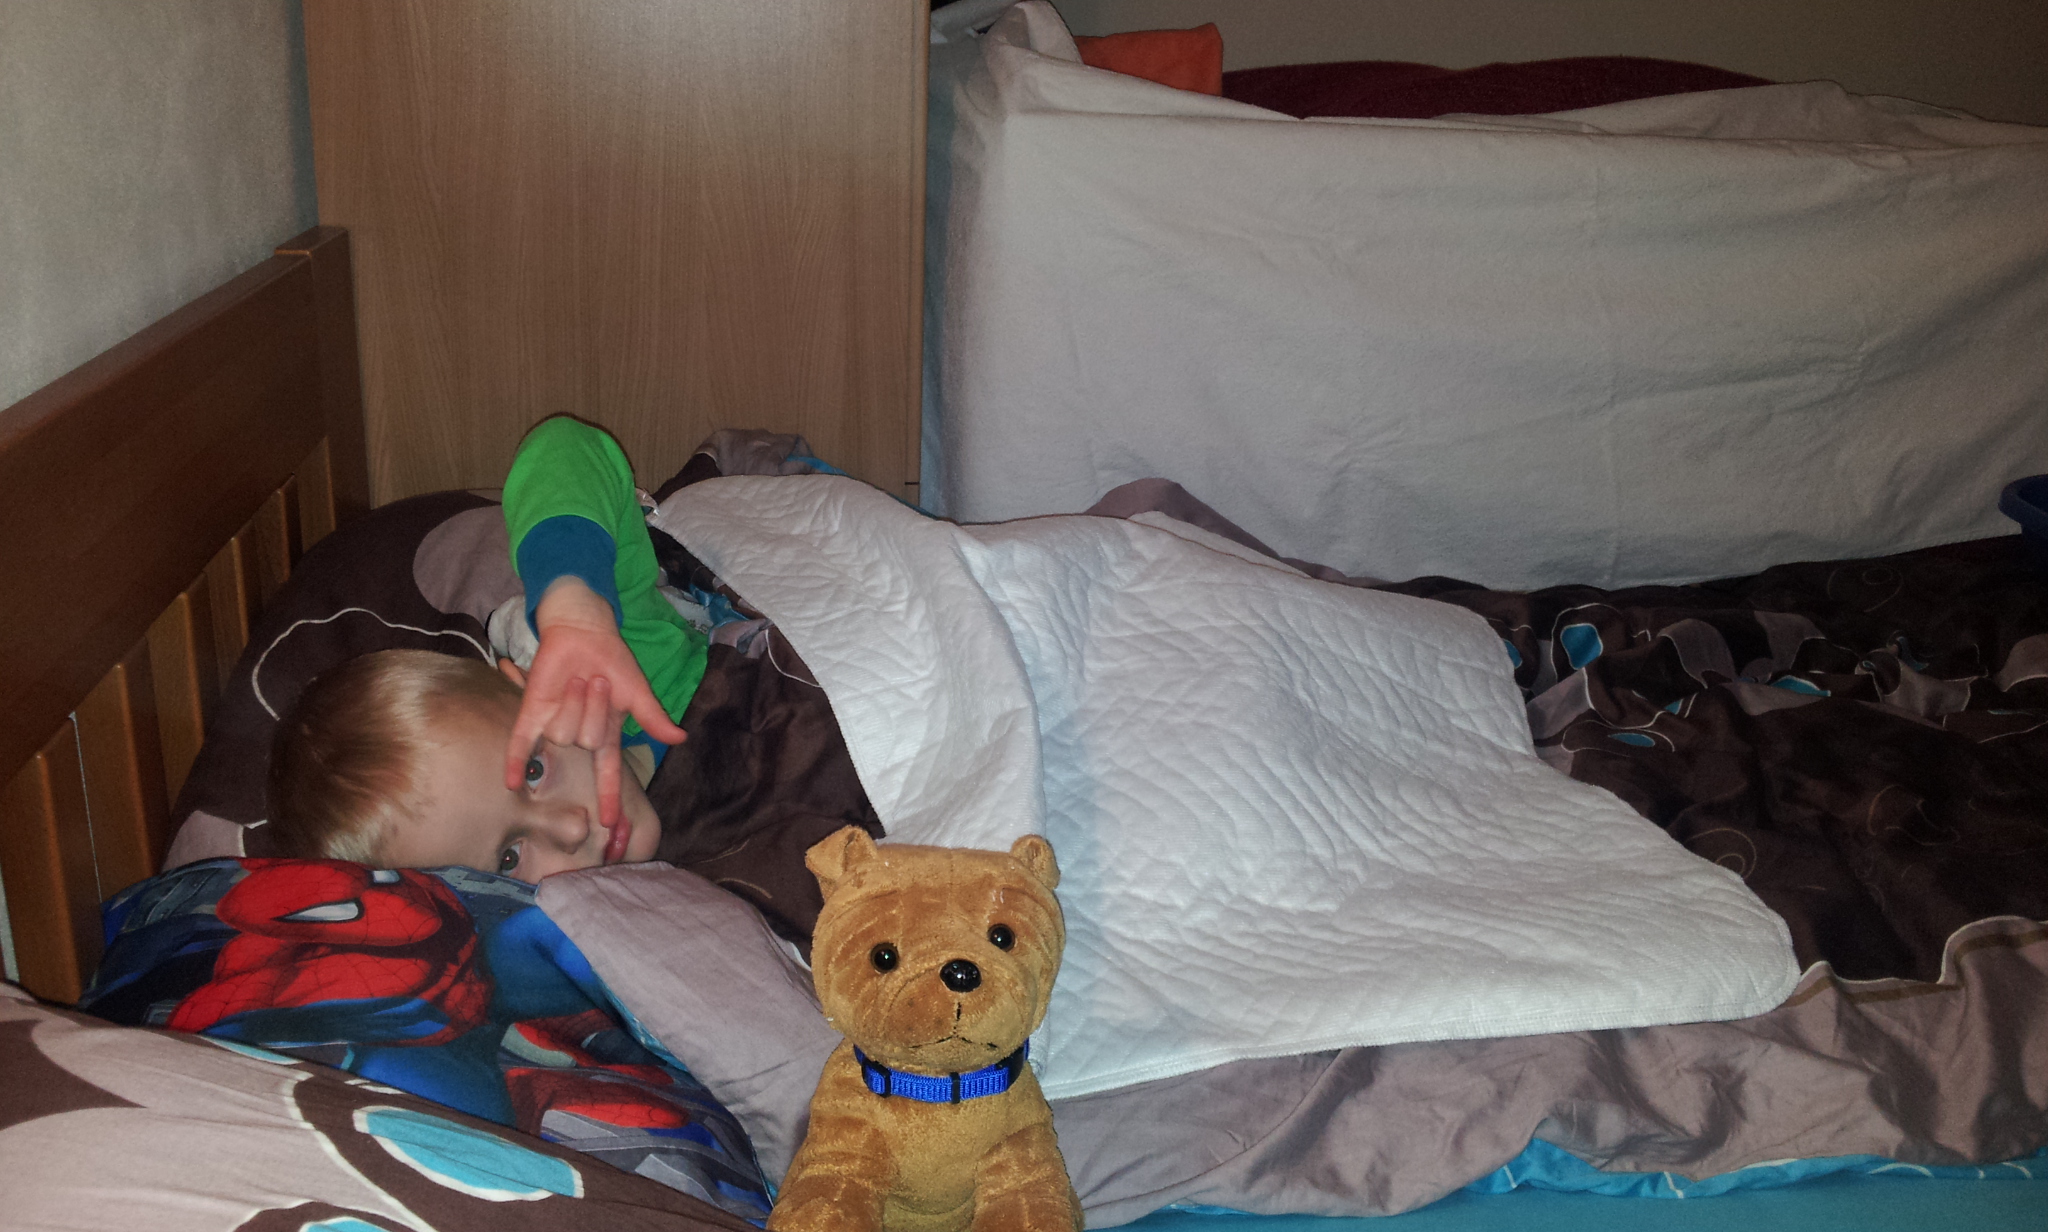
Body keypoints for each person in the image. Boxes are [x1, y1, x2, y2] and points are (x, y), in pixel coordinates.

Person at [269, 416, 701, 882]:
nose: (571, 828)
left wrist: (574, 604)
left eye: (534, 770)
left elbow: (562, 448)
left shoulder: (629, 662)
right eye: (508, 859)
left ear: (524, 687)